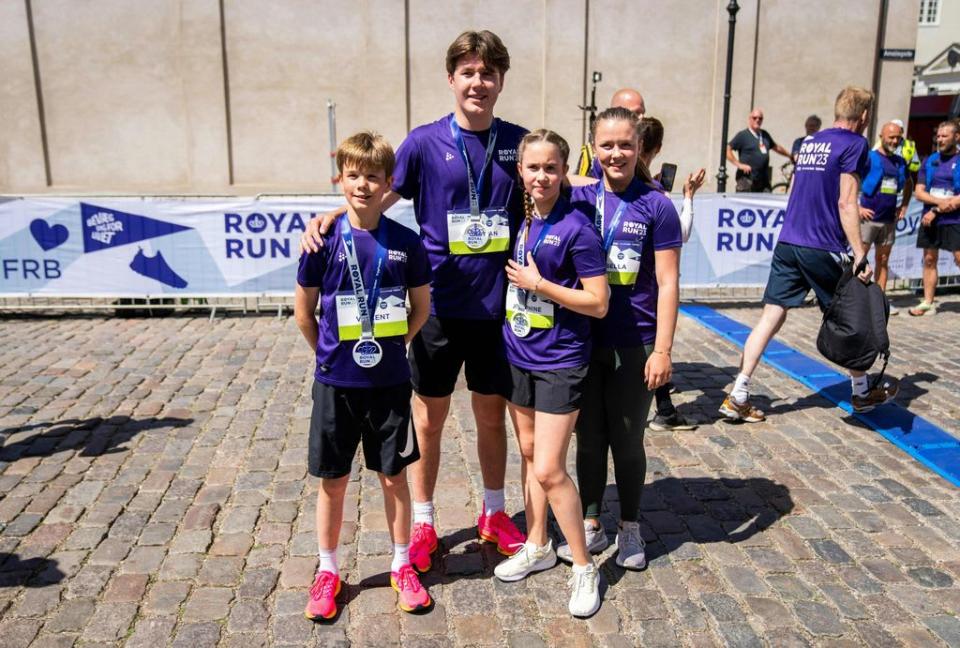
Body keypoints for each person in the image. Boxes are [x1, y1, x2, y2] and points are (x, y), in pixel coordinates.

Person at [300, 30, 529, 570]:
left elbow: (560, 185)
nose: (479, 82)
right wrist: (331, 215)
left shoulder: (518, 143)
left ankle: (494, 513)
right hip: (438, 308)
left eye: (488, 73)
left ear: (500, 82)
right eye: (468, 72)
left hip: (498, 308)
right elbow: (373, 192)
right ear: (451, 79)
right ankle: (423, 521)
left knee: (491, 418)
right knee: (428, 421)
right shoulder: (424, 142)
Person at [296, 132, 433, 620]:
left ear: (389, 182)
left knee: (393, 478)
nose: (362, 184)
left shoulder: (407, 244)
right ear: (340, 179)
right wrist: (329, 356)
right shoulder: (322, 239)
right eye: (353, 175)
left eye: (373, 176)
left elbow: (421, 308)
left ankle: (401, 565)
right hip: (337, 383)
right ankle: (328, 569)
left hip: (390, 385)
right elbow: (304, 312)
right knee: (333, 482)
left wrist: (396, 347)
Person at [719, 86, 899, 422]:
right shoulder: (856, 144)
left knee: (771, 316)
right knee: (850, 317)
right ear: (864, 116)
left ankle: (738, 393)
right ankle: (862, 393)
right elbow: (847, 201)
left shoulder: (813, 142)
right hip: (822, 244)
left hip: (789, 242)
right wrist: (860, 253)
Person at [556, 107, 682, 570]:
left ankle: (630, 525)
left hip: (636, 339)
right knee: (588, 438)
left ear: (639, 147)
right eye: (606, 145)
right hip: (582, 339)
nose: (616, 154)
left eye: (624, 145)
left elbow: (668, 282)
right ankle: (590, 520)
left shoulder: (656, 205)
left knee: (627, 441)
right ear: (593, 147)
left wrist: (663, 349)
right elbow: (534, 172)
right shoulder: (580, 198)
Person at [492, 129, 609, 618]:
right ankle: (538, 544)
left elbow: (599, 303)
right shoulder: (522, 219)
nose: (542, 176)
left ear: (566, 172)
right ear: (520, 170)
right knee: (527, 453)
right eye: (533, 167)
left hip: (561, 361)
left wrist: (542, 284)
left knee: (548, 468)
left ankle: (584, 567)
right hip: (519, 353)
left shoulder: (578, 227)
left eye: (551, 168)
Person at [632, 117, 706, 431]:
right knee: (651, 344)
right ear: (658, 148)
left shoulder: (620, 183)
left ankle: (664, 408)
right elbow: (683, 232)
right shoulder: (655, 194)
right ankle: (663, 410)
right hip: (647, 283)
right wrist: (688, 195)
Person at [859, 121, 912, 315]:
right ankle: (856, 300)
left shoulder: (900, 162)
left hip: (888, 220)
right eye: (891, 137)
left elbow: (909, 183)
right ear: (881, 136)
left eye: (898, 137)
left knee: (883, 260)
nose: (895, 140)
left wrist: (904, 205)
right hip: (869, 219)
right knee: (860, 260)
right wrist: (857, 207)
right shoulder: (869, 158)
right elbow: (847, 179)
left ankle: (879, 302)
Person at [908, 120, 960, 317]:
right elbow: (919, 192)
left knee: (959, 258)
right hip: (930, 219)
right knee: (929, 259)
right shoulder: (930, 160)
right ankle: (928, 302)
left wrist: (937, 208)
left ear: (957, 137)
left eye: (944, 136)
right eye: (938, 136)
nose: (940, 139)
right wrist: (940, 203)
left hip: (954, 220)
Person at [576, 88, 645, 177]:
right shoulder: (593, 155)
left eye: (626, 145)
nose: (642, 117)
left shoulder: (646, 136)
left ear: (639, 146)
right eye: (635, 113)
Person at [727, 108, 791, 192]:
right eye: (754, 118)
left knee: (766, 202)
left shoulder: (764, 135)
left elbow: (776, 147)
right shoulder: (743, 135)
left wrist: (790, 155)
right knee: (746, 204)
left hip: (763, 180)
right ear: (750, 119)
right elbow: (727, 150)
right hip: (746, 180)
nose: (757, 120)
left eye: (760, 118)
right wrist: (739, 165)